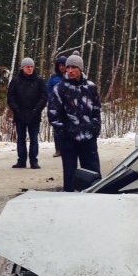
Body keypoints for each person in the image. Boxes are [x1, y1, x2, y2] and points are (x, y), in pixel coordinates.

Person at [47, 54, 102, 191]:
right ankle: (69, 203)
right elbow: (53, 113)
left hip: (88, 139)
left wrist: (95, 129)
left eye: (74, 67)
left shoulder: (90, 87)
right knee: (70, 178)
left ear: (81, 69)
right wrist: (63, 133)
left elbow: (96, 110)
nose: (70, 70)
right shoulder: (60, 89)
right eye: (68, 67)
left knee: (93, 176)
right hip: (69, 139)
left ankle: (94, 203)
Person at [8, 57, 48, 169]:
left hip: (34, 114)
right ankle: (21, 161)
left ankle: (34, 161)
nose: (30, 69)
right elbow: (11, 97)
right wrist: (16, 109)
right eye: (28, 67)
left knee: (34, 139)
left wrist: (37, 109)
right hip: (20, 114)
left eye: (31, 67)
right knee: (21, 139)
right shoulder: (16, 81)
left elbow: (44, 97)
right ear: (23, 68)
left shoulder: (39, 81)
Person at [47, 56, 68, 157]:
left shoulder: (70, 76)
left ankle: (68, 148)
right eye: (59, 65)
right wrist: (52, 99)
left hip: (68, 106)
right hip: (57, 106)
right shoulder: (54, 78)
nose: (61, 67)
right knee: (57, 128)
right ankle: (58, 149)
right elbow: (48, 90)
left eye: (63, 65)